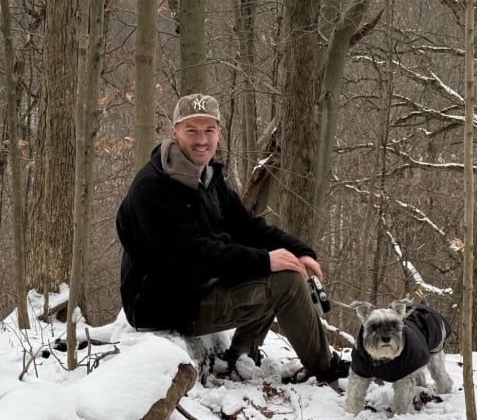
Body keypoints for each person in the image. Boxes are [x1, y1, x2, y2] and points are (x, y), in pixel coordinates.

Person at [116, 93, 348, 382]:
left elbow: (248, 226)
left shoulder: (208, 177)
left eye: (209, 130)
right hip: (164, 305)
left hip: (195, 288)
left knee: (281, 266)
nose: (202, 139)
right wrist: (265, 260)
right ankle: (325, 369)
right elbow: (191, 256)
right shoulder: (154, 188)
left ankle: (241, 356)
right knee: (285, 281)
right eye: (192, 130)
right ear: (174, 133)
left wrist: (299, 250)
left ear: (219, 133)